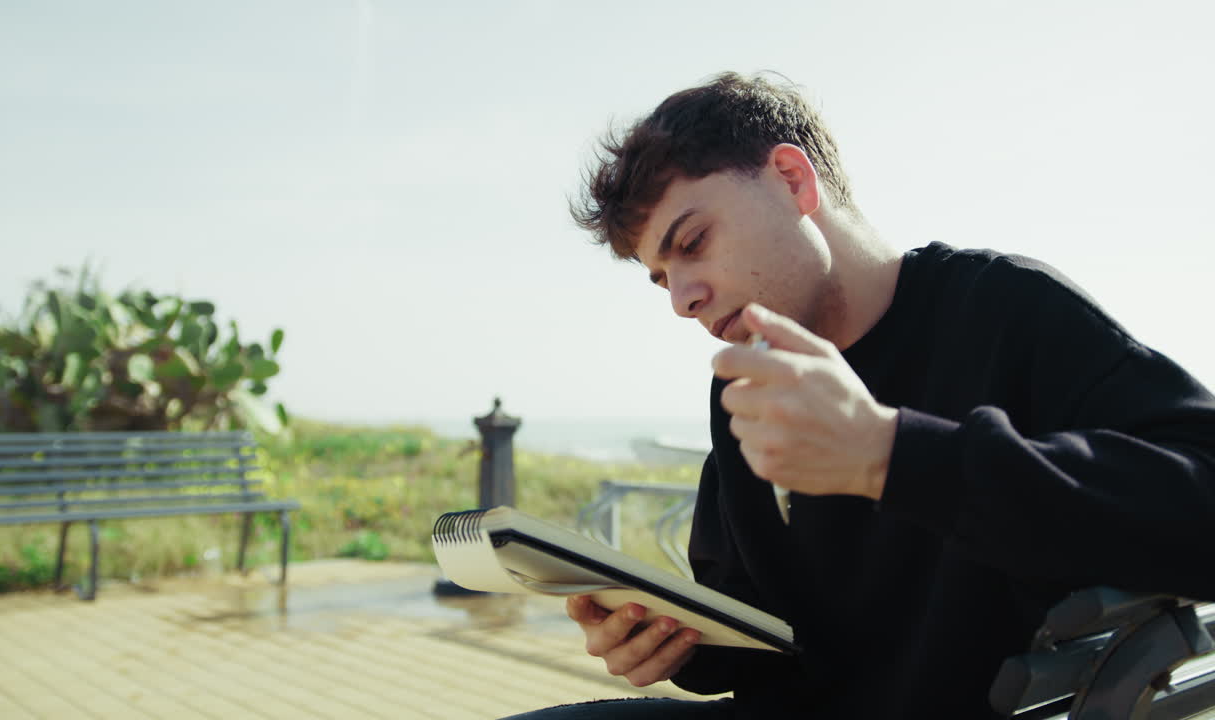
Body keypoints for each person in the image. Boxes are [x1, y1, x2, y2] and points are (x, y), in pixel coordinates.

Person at [504, 72, 1215, 720]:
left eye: (692, 243)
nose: (681, 301)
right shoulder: (745, 386)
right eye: (662, 278)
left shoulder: (1004, 310)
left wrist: (891, 455)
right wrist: (674, 642)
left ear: (792, 181)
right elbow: (769, 635)